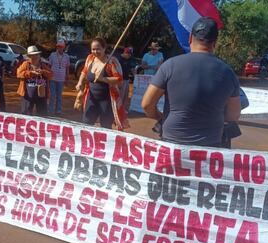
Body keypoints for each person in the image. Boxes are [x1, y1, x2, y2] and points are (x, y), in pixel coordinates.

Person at [141, 17, 240, 147]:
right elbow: (233, 115)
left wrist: (161, 117)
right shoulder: (228, 73)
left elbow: (147, 104)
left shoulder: (169, 66)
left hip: (173, 143)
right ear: (215, 42)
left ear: (190, 38)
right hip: (210, 144)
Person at [75, 38, 128, 130]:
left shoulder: (111, 62)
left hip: (107, 100)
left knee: (105, 125)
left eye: (98, 49)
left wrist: (103, 79)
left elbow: (119, 79)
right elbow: (84, 71)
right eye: (93, 49)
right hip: (91, 98)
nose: (95, 52)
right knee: (86, 122)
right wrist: (80, 82)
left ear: (104, 48)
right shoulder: (90, 58)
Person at [17, 46, 52, 116]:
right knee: (26, 115)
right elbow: (19, 74)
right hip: (27, 95)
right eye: (32, 55)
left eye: (36, 55)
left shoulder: (43, 65)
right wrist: (31, 73)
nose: (35, 57)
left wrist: (43, 72)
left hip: (41, 95)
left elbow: (51, 75)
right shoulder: (26, 64)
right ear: (29, 56)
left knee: (42, 115)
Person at [48, 39, 70, 116]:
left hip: (61, 79)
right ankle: (50, 111)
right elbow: (49, 66)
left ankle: (58, 111)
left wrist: (67, 77)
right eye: (58, 46)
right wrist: (48, 76)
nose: (59, 48)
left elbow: (67, 68)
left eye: (61, 46)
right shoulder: (52, 55)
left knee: (59, 96)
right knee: (52, 95)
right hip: (52, 78)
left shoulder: (67, 56)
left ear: (64, 47)